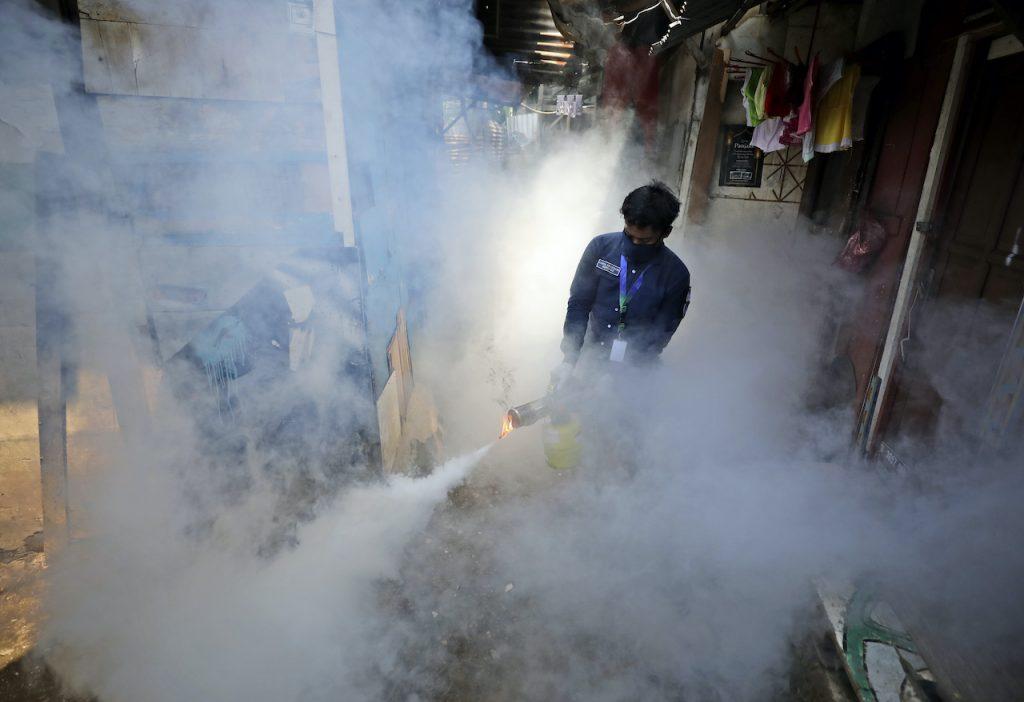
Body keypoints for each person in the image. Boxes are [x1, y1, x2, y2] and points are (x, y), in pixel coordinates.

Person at [554, 181, 691, 385]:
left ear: (666, 232)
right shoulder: (599, 248)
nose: (635, 244)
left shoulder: (676, 274)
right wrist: (569, 359)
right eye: (629, 235)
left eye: (644, 241)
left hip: (635, 371)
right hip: (588, 356)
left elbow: (658, 336)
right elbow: (579, 304)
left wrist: (622, 378)